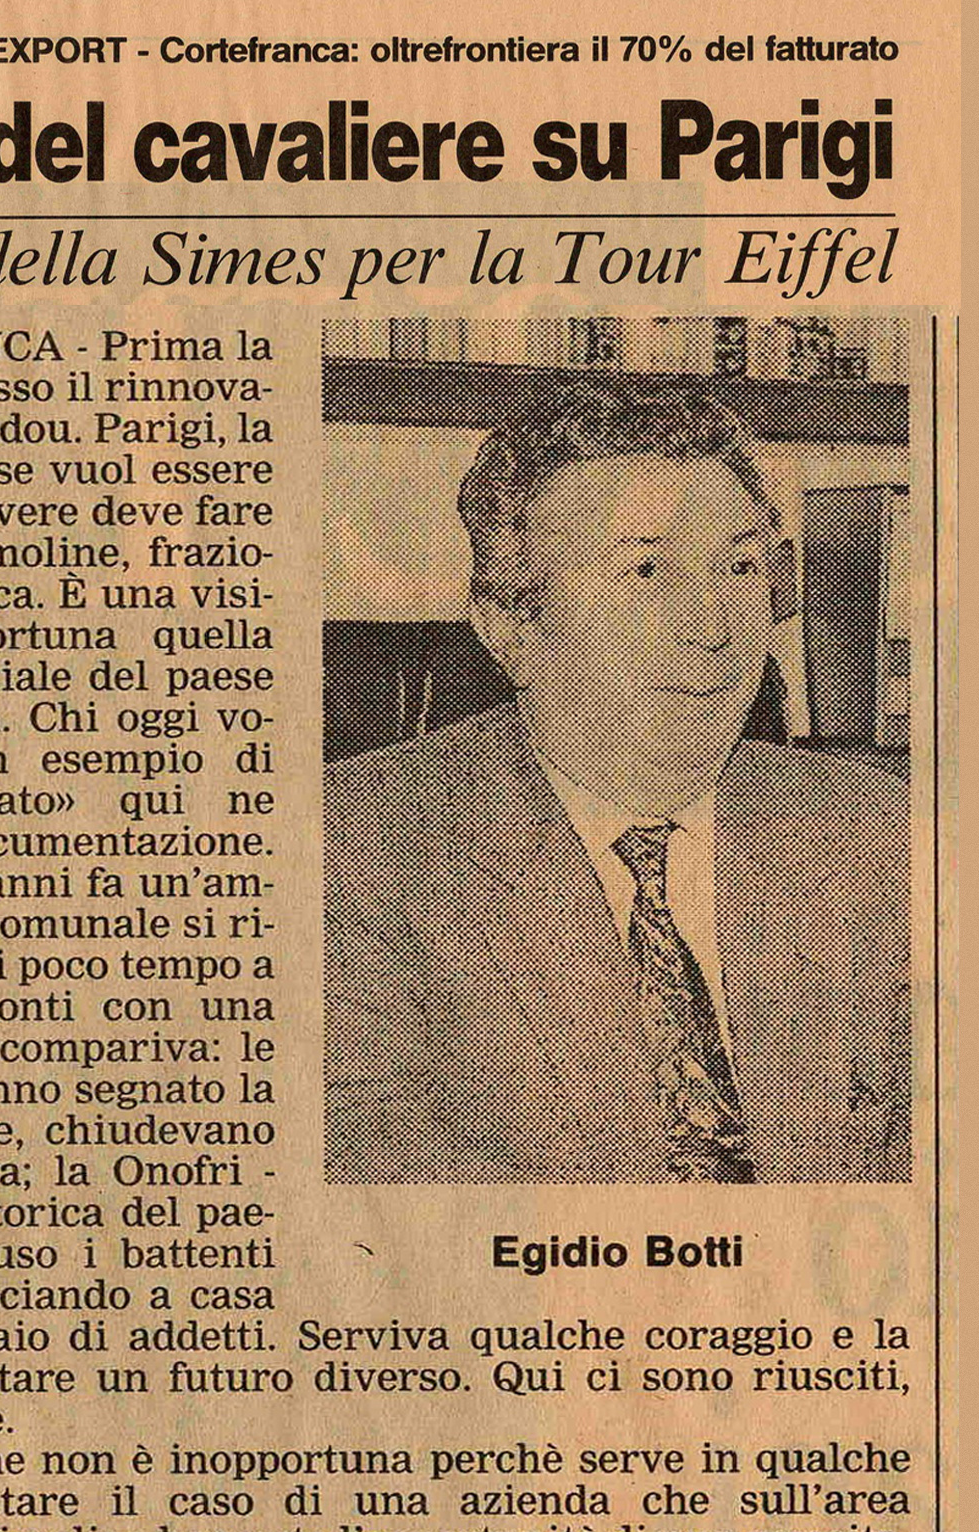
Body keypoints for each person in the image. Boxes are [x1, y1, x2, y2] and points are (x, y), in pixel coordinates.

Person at [325, 372, 911, 1184]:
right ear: (510, 626)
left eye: (739, 570)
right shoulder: (351, 856)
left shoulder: (884, 831)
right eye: (646, 575)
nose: (713, 627)